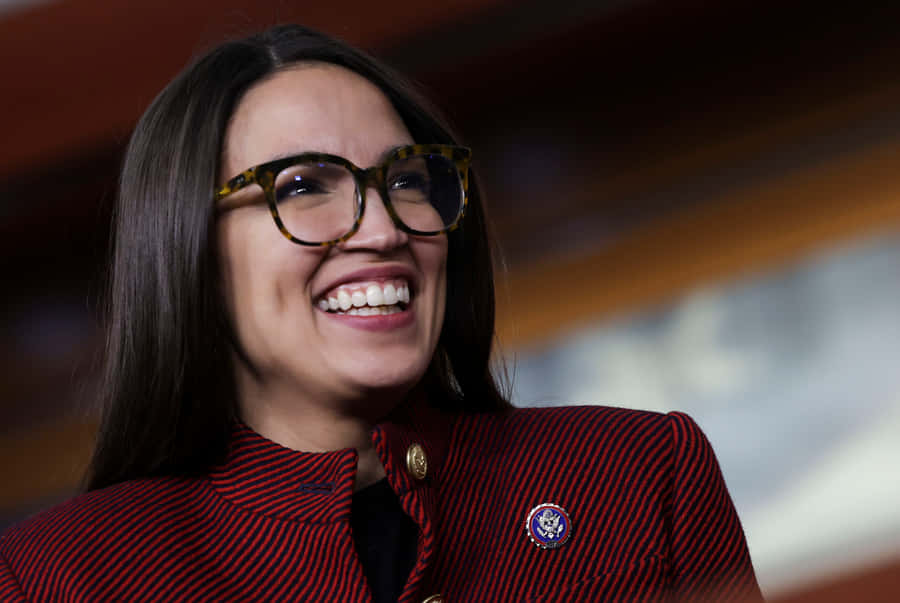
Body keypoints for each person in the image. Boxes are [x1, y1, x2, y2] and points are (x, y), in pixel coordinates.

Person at [0, 24, 762, 602]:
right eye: (303, 186)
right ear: (188, 250)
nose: (383, 229)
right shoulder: (57, 579)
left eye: (407, 180)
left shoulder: (639, 473)